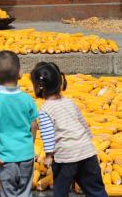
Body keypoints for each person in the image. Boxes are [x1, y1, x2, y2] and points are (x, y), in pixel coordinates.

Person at [30, 62, 107, 197]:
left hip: (67, 158)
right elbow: (82, 123)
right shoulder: (69, 102)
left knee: (61, 191)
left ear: (40, 86)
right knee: (95, 189)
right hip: (87, 152)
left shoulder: (45, 110)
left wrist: (48, 156)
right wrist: (86, 141)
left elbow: (47, 135)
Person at [0, 51, 38, 197]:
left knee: (9, 193)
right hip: (26, 155)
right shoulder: (28, 99)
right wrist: (29, 143)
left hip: (5, 158)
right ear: (20, 73)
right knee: (24, 192)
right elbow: (34, 125)